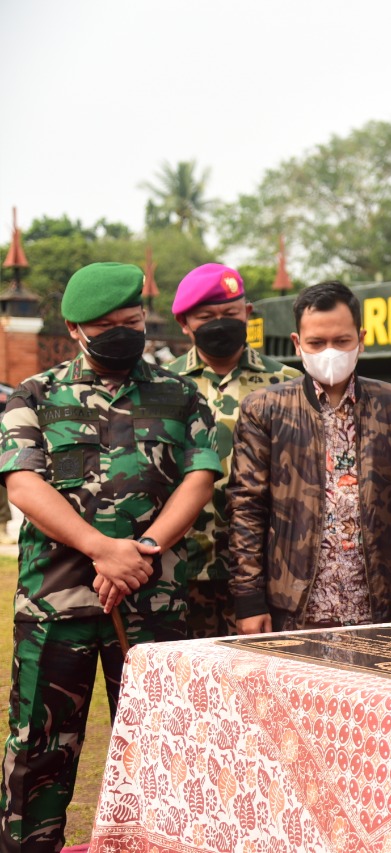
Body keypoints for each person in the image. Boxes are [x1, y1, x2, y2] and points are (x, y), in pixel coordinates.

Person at [0, 262, 219, 851]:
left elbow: (200, 476)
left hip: (155, 605)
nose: (123, 331)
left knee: (162, 753)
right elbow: (23, 483)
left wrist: (145, 549)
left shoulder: (179, 393)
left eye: (132, 319)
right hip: (55, 607)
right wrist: (102, 549)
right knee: (37, 757)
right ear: (75, 329)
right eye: (106, 325)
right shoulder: (36, 395)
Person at [228, 281, 391, 633]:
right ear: (297, 343)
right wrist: (249, 598)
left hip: (373, 602)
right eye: (317, 343)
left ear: (361, 338)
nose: (330, 352)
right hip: (292, 604)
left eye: (342, 341)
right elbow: (247, 509)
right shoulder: (266, 409)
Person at [166, 263, 300, 638]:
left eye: (230, 313)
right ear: (184, 323)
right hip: (183, 564)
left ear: (248, 313)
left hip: (267, 568)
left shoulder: (287, 383)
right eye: (206, 317)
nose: (220, 323)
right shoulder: (162, 385)